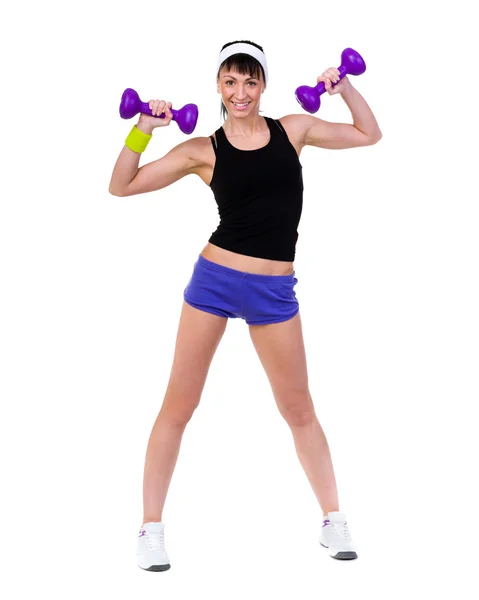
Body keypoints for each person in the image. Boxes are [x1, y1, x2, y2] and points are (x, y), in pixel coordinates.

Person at [109, 40, 382, 571]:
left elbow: (370, 134)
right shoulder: (201, 150)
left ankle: (333, 519)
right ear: (217, 85)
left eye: (250, 82)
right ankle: (151, 528)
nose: (241, 92)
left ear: (263, 86)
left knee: (298, 408)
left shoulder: (293, 130)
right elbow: (121, 186)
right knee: (179, 405)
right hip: (213, 282)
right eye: (230, 82)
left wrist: (345, 87)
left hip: (273, 291)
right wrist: (143, 126)